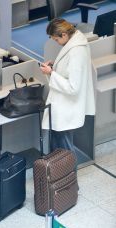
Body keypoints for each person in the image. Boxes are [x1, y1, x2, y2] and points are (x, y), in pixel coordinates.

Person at [40, 18, 95, 153]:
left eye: (56, 39)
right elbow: (70, 71)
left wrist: (51, 73)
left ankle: (69, 174)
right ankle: (61, 174)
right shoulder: (74, 42)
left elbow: (73, 87)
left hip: (67, 108)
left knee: (64, 150)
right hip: (65, 106)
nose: (56, 43)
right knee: (60, 148)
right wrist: (56, 67)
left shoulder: (76, 51)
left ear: (64, 34)